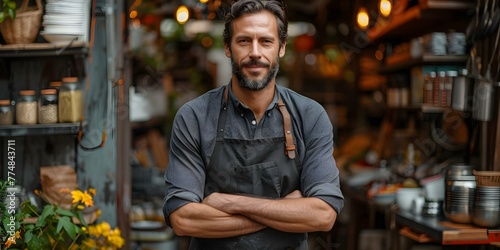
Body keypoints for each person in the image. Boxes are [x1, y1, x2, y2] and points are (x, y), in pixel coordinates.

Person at [163, 0, 344, 249]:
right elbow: (183, 218)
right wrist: (287, 209)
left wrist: (230, 203)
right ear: (228, 47)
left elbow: (323, 215)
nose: (255, 53)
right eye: (244, 41)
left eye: (266, 41)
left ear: (281, 47)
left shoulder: (309, 116)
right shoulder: (194, 117)